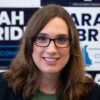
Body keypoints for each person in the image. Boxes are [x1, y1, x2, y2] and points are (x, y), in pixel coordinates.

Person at [0, 4, 100, 100]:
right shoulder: (2, 86)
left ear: (72, 46)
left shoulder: (93, 93)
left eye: (61, 39)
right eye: (42, 38)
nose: (51, 50)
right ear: (29, 44)